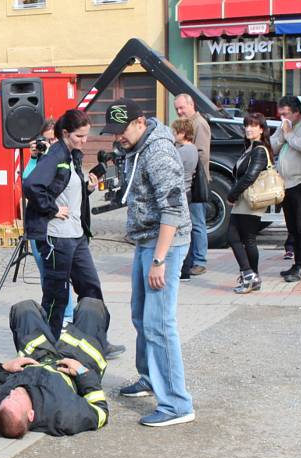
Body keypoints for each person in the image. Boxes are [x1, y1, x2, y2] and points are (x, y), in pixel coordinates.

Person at [104, 98, 195, 427]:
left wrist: (159, 260)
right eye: (114, 133)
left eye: (122, 130)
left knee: (159, 324)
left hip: (164, 244)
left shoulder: (157, 151)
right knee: (141, 315)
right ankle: (149, 378)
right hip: (147, 241)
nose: (118, 138)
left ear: (140, 121)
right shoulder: (135, 148)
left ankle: (176, 404)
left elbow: (172, 207)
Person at [23, 109, 114, 348]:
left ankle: (96, 340)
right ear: (65, 133)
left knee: (91, 288)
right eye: (79, 136)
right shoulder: (55, 155)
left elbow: (69, 190)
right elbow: (31, 185)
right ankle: (48, 346)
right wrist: (51, 209)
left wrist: (89, 189)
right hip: (57, 237)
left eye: (86, 136)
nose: (84, 141)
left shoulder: (74, 155)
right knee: (56, 297)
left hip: (77, 236)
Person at [0, 298, 109, 438]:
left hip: (39, 355)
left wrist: (3, 369)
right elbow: (100, 413)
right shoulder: (62, 414)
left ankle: (54, 329)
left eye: (7, 397)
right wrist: (83, 373)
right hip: (77, 359)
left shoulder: (1, 407)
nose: (12, 393)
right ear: (31, 414)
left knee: (24, 309)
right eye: (15, 399)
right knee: (90, 307)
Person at [23, 118, 74, 323]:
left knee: (61, 276)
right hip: (39, 225)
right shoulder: (40, 160)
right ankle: (53, 317)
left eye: (54, 140)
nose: (50, 145)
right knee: (47, 275)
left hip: (58, 227)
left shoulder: (63, 159)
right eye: (46, 140)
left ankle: (67, 317)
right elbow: (28, 183)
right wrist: (34, 158)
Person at [271, 96, 301, 283]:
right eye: (280, 114)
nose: (282, 117)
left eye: (285, 113)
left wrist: (289, 134)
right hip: (286, 183)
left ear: (296, 112)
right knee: (293, 228)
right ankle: (297, 264)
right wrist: (284, 134)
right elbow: (273, 145)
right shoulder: (285, 125)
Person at [226, 113, 274, 294]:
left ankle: (249, 275)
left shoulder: (259, 150)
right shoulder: (250, 148)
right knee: (243, 238)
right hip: (244, 199)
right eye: (246, 125)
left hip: (251, 199)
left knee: (240, 237)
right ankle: (252, 276)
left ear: (262, 129)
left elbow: (249, 177)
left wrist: (231, 195)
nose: (248, 129)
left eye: (253, 126)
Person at [174, 93, 210, 277]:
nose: (179, 112)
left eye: (182, 108)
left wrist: (190, 173)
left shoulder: (199, 124)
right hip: (191, 180)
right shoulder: (190, 124)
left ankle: (200, 261)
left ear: (191, 104)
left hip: (195, 181)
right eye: (177, 109)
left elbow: (202, 154)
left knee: (197, 222)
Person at [172, 118, 198, 281]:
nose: (173, 135)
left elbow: (171, 166)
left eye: (175, 132)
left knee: (180, 230)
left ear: (182, 133)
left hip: (182, 191)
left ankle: (184, 268)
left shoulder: (184, 151)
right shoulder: (191, 148)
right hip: (187, 190)